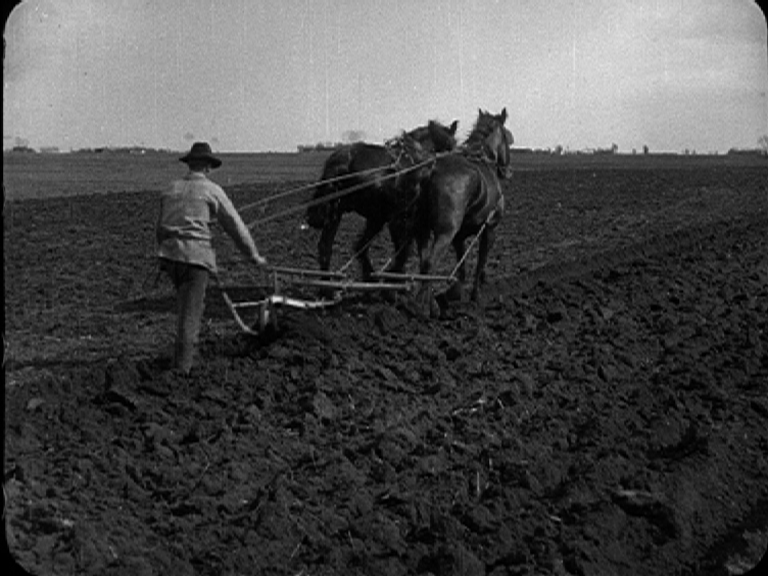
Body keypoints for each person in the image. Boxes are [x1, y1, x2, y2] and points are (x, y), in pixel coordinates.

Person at [156, 141, 267, 373]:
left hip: (169, 257)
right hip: (194, 260)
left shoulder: (170, 188)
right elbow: (235, 226)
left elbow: (161, 227)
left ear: (190, 165)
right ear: (207, 167)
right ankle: (181, 371)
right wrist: (253, 255)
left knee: (185, 307)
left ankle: (179, 359)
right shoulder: (212, 190)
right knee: (191, 316)